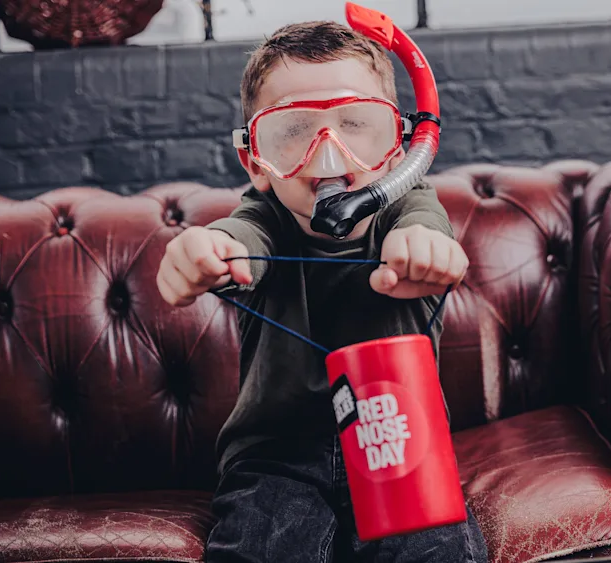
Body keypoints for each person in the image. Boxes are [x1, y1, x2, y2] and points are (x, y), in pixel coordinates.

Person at [156, 16, 488, 563]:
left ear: (402, 148)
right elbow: (240, 237)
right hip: (275, 458)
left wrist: (426, 250)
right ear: (255, 161)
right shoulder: (264, 215)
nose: (329, 158)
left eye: (359, 124)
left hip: (398, 441)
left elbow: (426, 232)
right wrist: (206, 253)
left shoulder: (410, 207)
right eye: (292, 133)